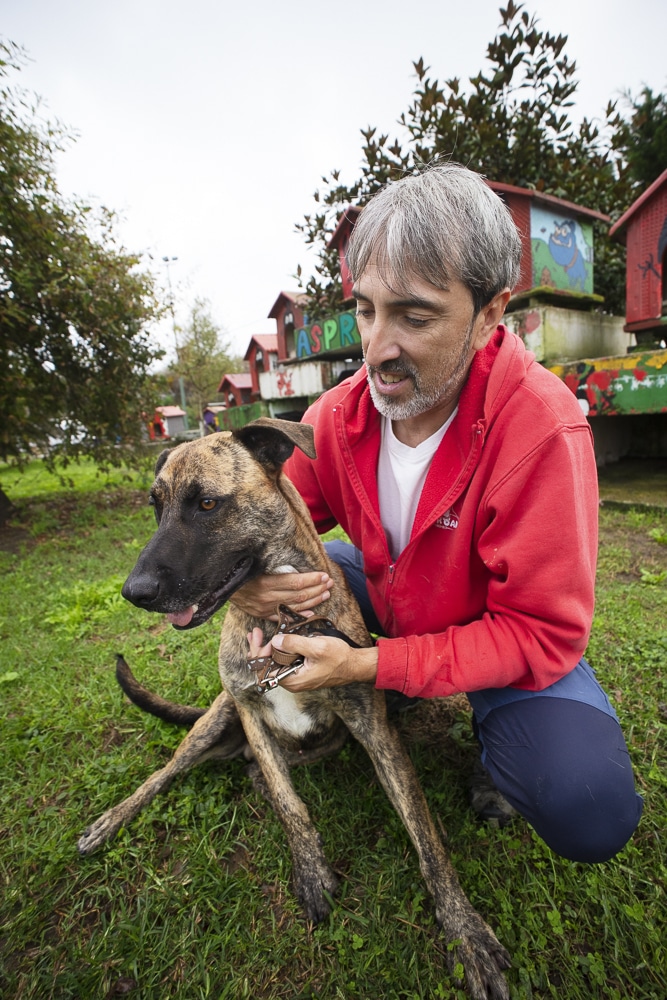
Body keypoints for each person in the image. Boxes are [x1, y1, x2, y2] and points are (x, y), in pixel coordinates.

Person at [234, 162, 642, 863]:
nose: (376, 349)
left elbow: (539, 635)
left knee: (588, 806)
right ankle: (395, 685)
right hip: (391, 596)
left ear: (489, 313)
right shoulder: (340, 414)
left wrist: (367, 665)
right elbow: (273, 508)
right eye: (366, 309)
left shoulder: (541, 431)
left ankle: (496, 742)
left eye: (413, 315)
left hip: (500, 637)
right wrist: (246, 584)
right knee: (315, 567)